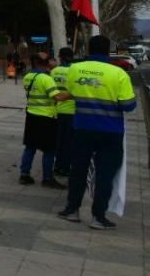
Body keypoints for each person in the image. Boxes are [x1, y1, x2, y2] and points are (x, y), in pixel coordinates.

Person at [57, 34, 137, 229]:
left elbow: (71, 92)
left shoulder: (75, 70)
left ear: (89, 49)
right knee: (105, 174)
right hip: (110, 132)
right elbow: (128, 106)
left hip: (82, 128)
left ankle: (72, 210)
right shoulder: (118, 73)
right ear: (107, 49)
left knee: (78, 170)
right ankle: (98, 217)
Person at [19, 52, 69, 188]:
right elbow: (57, 97)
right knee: (49, 150)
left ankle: (24, 174)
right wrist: (74, 94)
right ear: (47, 63)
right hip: (46, 118)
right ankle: (47, 178)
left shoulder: (28, 77)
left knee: (30, 147)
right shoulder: (46, 79)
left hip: (31, 116)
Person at [51, 47, 74, 177]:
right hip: (71, 112)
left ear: (60, 57)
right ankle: (66, 167)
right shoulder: (74, 72)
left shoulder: (54, 72)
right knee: (69, 142)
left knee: (58, 141)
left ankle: (57, 165)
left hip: (56, 111)